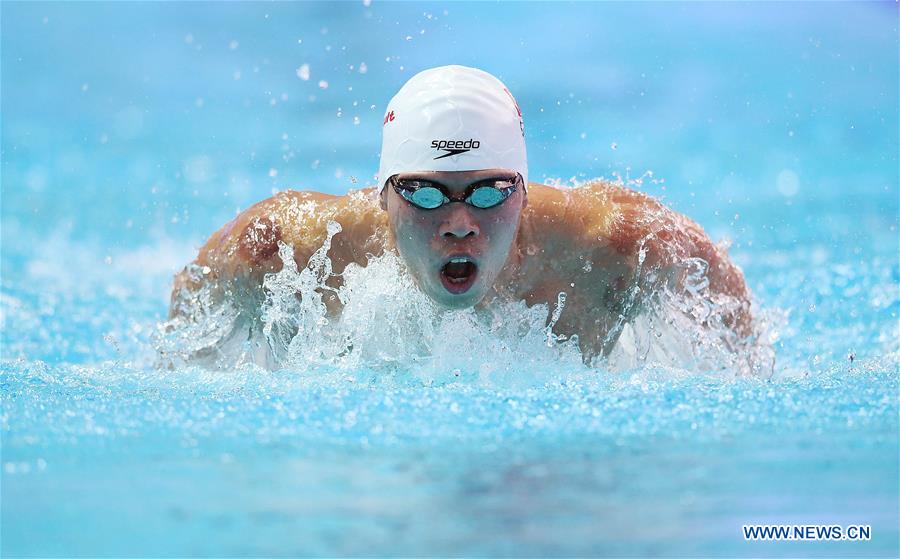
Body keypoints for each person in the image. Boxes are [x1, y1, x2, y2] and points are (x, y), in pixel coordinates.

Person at [165, 65, 757, 370]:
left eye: (488, 192)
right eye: (425, 193)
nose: (458, 222)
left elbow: (742, 353)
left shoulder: (618, 247)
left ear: (522, 193)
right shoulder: (291, 250)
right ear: (383, 197)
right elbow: (184, 338)